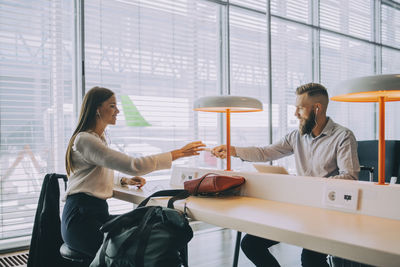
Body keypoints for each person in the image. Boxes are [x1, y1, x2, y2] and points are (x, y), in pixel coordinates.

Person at [212, 82, 360, 267]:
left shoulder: (343, 136)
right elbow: (265, 153)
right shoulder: (296, 136)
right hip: (298, 207)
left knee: (310, 260)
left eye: (300, 108)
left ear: (317, 108)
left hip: (326, 210)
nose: (295, 114)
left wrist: (309, 185)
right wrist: (233, 150)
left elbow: (350, 177)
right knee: (251, 244)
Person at [61, 86, 205, 257]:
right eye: (112, 106)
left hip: (92, 214)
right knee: (151, 243)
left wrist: (122, 181)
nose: (118, 111)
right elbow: (134, 165)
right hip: (82, 222)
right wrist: (178, 153)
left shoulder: (95, 139)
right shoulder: (86, 139)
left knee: (153, 229)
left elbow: (90, 174)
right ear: (97, 109)